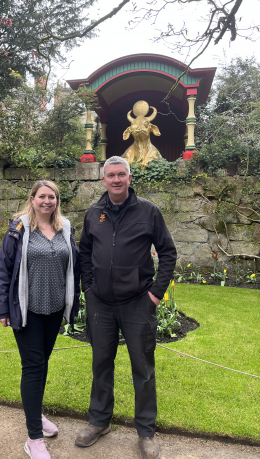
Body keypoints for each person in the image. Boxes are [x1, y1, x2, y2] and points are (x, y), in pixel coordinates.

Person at [76, 156, 177, 459]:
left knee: (143, 369)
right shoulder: (94, 214)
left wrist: (155, 295)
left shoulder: (148, 212)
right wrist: (89, 289)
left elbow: (168, 253)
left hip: (138, 304)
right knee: (101, 364)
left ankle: (146, 432)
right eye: (111, 175)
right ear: (103, 180)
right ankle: (99, 422)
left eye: (121, 174)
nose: (116, 180)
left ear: (130, 178)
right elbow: (85, 253)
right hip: (101, 304)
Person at [0, 180, 80, 459]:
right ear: (32, 199)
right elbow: (3, 270)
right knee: (33, 368)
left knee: (42, 365)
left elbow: (75, 266)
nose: (47, 201)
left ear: (57, 200)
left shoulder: (65, 228)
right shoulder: (18, 229)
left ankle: (37, 414)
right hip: (27, 311)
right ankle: (34, 439)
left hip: (54, 310)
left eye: (52, 197)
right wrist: (3, 309)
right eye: (42, 196)